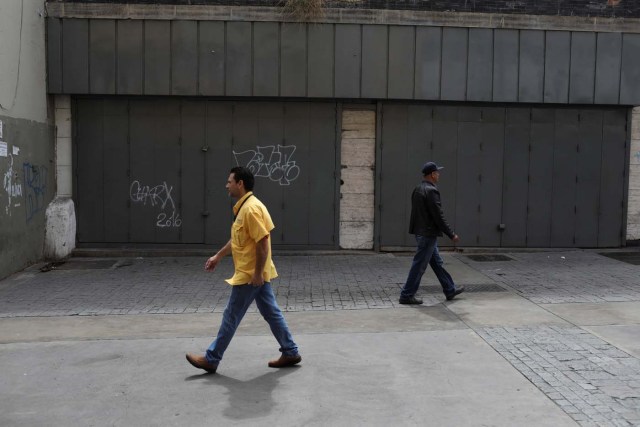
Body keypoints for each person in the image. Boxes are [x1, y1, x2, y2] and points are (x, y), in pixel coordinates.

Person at [186, 166, 301, 374]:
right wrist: (218, 256)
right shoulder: (245, 207)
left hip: (250, 275)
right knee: (272, 313)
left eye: (230, 181)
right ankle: (290, 351)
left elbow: (263, 242)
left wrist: (257, 274)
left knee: (231, 316)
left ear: (240, 184)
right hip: (254, 273)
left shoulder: (250, 209)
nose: (226, 185)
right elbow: (238, 240)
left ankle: (212, 358)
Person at [399, 162, 465, 305]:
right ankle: (406, 295)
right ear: (432, 174)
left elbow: (416, 214)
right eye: (437, 172)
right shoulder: (431, 191)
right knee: (419, 265)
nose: (439, 174)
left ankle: (449, 289)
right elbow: (438, 216)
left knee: (436, 263)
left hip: (421, 233)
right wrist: (451, 234)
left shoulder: (418, 189)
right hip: (428, 235)